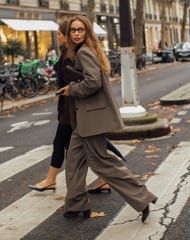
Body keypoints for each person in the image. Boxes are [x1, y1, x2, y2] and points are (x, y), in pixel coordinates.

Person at [58, 15, 157, 222]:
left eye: (80, 30)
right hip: (83, 121)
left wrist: (71, 89)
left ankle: (142, 197)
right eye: (73, 30)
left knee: (103, 162)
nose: (76, 33)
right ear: (69, 33)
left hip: (91, 120)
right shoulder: (82, 51)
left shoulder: (84, 52)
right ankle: (76, 205)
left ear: (86, 32)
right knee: (74, 162)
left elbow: (93, 83)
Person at [28, 21, 110, 194]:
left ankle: (59, 184)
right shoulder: (71, 53)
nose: (57, 37)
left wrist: (71, 89)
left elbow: (88, 81)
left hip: (72, 109)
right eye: (74, 30)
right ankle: (96, 183)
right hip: (71, 107)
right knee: (83, 148)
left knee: (67, 146)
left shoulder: (74, 55)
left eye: (59, 33)